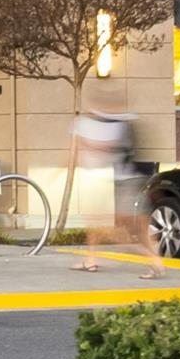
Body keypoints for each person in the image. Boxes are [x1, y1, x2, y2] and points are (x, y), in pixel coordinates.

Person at [70, 86, 164, 280]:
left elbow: (111, 146)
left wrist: (87, 144)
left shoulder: (123, 123)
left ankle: (154, 260)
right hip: (127, 180)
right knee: (129, 226)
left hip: (130, 180)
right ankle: (93, 258)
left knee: (129, 228)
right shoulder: (123, 121)